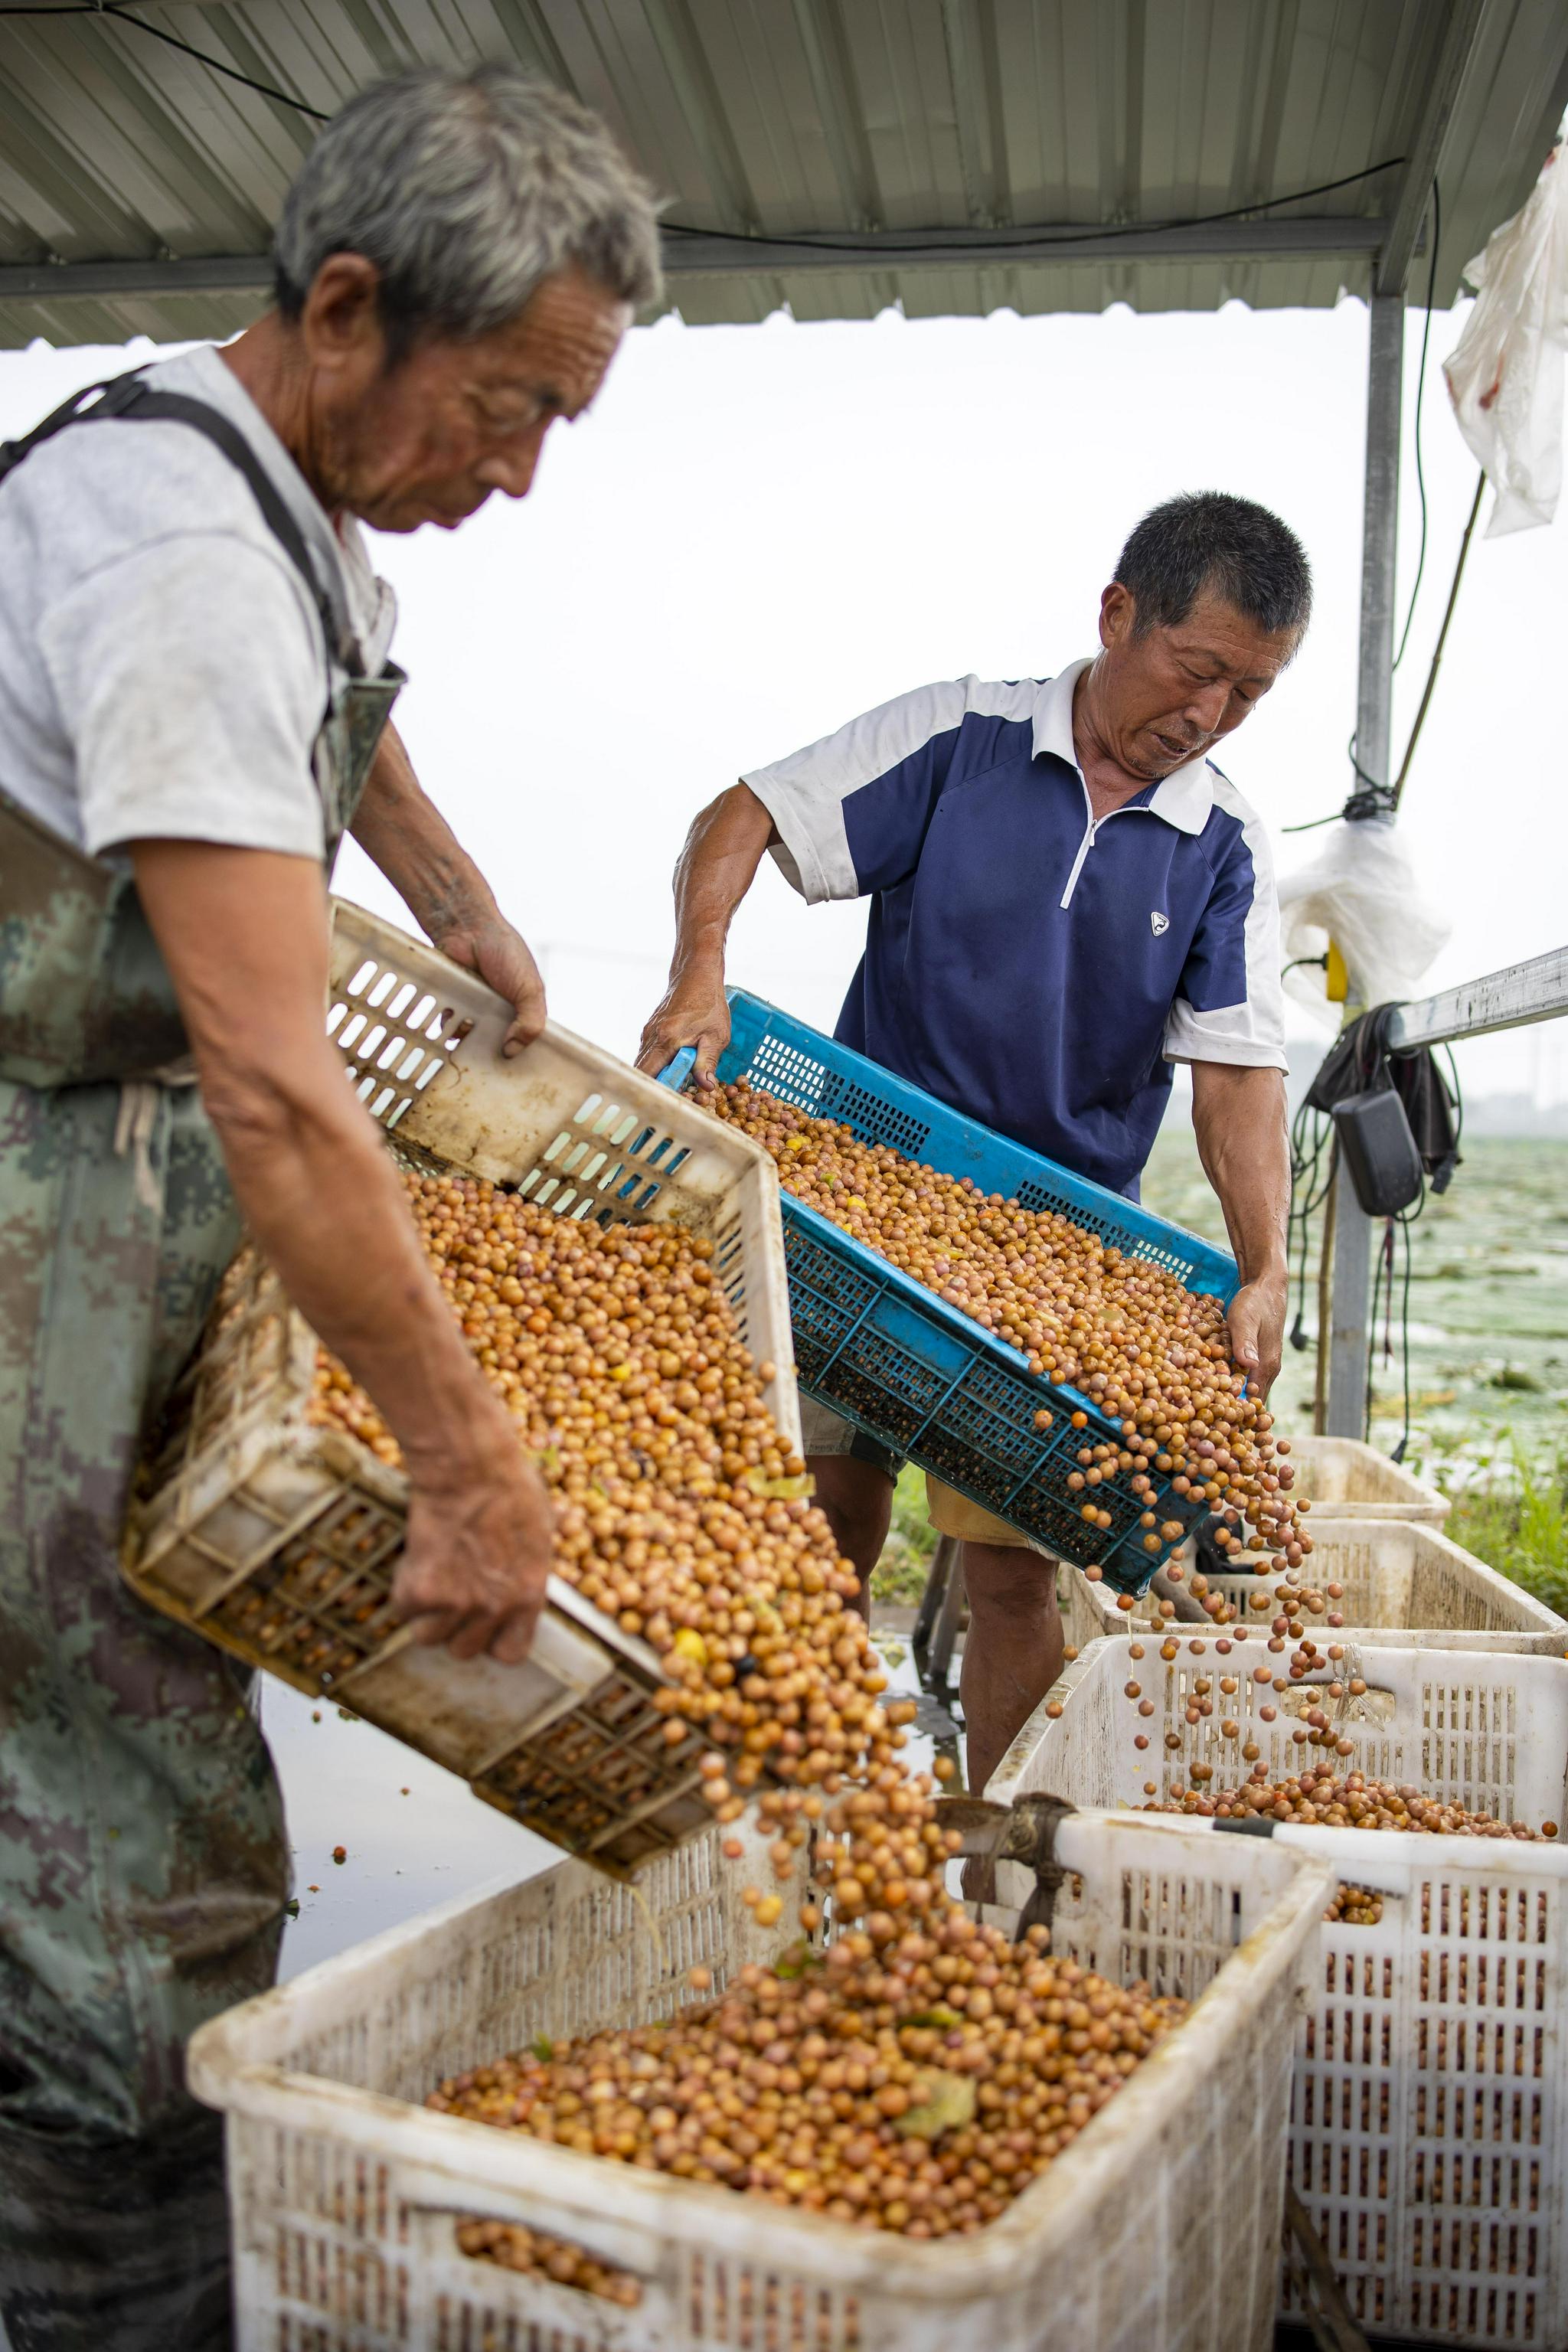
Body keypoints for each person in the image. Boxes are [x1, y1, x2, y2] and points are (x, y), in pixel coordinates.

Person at [0, 66, 659, 2350]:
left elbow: (325, 724)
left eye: (560, 417)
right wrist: (470, 1467)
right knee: (103, 1837)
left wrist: (455, 895)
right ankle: (109, 2278)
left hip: (119, 1170)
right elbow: (283, 1091)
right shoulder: (174, 550)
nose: (523, 470)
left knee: (112, 1736)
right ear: (351, 309)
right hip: (35, 1192)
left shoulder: (284, 498)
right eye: (509, 406)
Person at [638, 492, 1307, 1815]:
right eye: (1196, 670)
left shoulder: (1223, 845)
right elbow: (748, 813)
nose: (1210, 714)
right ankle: (808, 1820)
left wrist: (1266, 1266)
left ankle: (1003, 1858)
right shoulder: (964, 738)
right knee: (823, 1512)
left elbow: (1238, 1076)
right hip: (854, 1202)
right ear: (1118, 615)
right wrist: (698, 970)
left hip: (1055, 1249)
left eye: (1248, 693)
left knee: (1011, 1574)